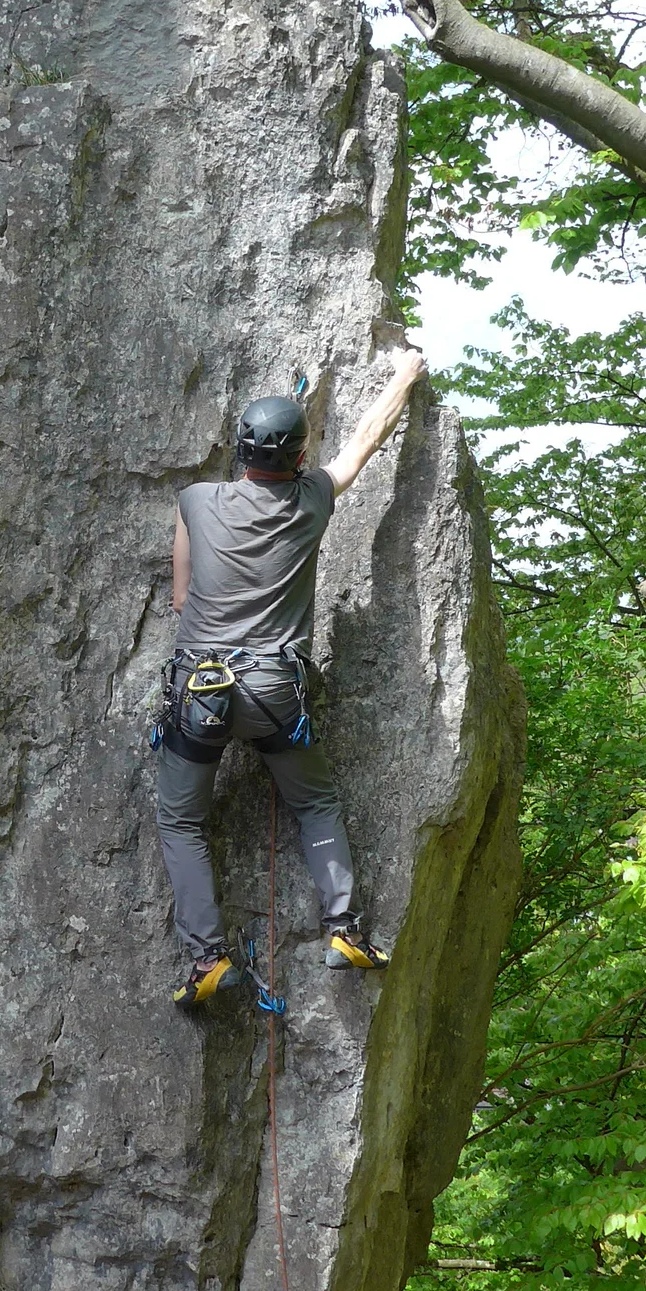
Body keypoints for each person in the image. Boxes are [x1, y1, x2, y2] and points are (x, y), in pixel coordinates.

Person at [156, 350, 429, 1006]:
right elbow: (365, 441)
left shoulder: (195, 501)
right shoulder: (312, 499)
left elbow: (179, 598)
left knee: (181, 821)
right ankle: (344, 929)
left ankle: (207, 959)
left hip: (202, 690)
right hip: (277, 692)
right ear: (298, 458)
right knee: (312, 803)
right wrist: (405, 375)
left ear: (241, 449)